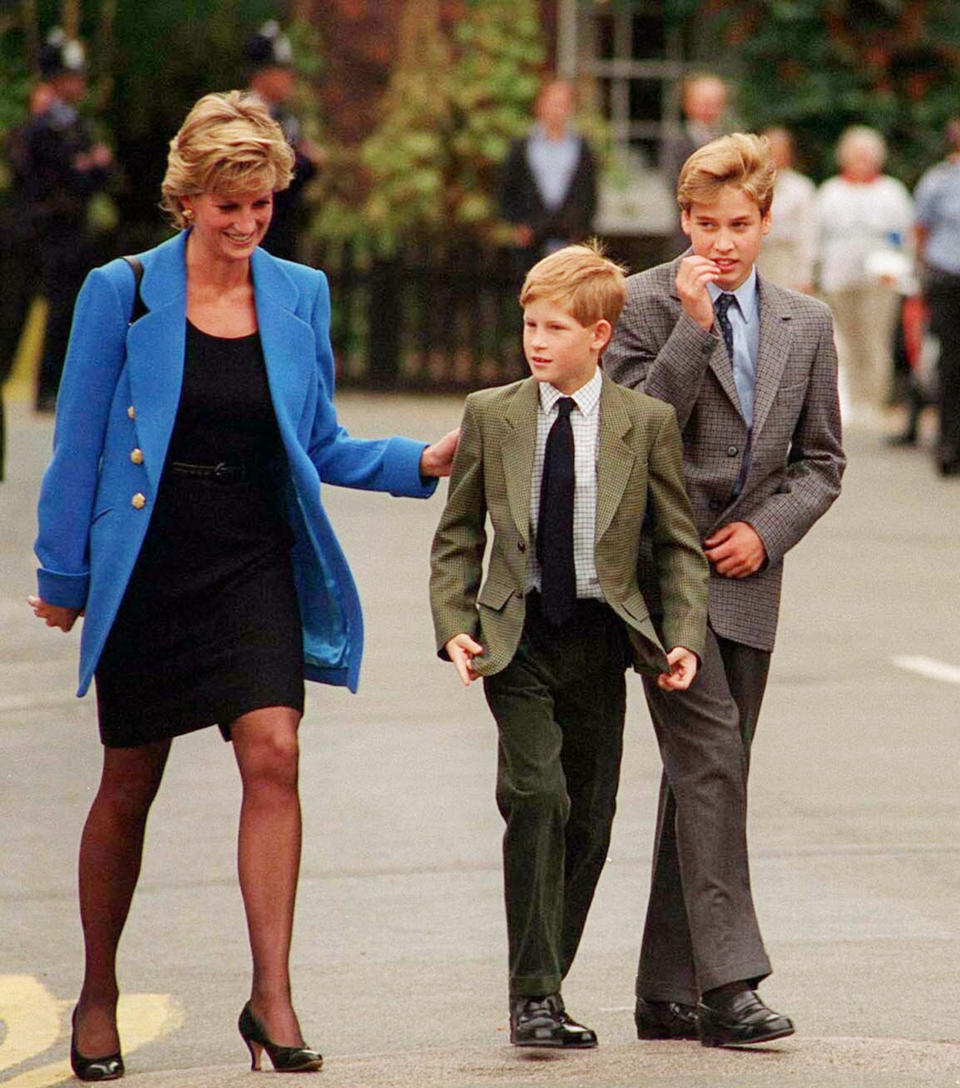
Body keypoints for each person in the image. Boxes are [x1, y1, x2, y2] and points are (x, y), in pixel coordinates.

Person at [29, 90, 457, 1081]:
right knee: (129, 784)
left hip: (252, 550)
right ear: (190, 199)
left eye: (262, 204)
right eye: (230, 206)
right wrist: (64, 573)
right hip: (151, 555)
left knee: (274, 750)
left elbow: (318, 442)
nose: (247, 223)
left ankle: (271, 994)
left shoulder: (300, 293)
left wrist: (417, 461)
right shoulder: (122, 290)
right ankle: (98, 990)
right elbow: (80, 441)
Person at [429, 243, 708, 1049]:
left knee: (590, 821)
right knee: (537, 798)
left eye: (554, 327)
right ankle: (536, 997)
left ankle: (545, 978)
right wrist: (454, 620)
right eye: (529, 325)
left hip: (602, 641)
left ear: (600, 335)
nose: (536, 341)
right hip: (514, 640)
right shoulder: (493, 413)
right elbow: (457, 535)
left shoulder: (644, 424)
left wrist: (681, 635)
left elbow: (678, 545)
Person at [605, 133, 845, 1047]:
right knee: (713, 761)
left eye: (739, 225)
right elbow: (630, 433)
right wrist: (693, 327)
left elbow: (822, 462)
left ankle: (664, 988)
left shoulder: (805, 322)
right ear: (682, 218)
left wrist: (766, 530)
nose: (722, 242)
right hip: (662, 574)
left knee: (700, 773)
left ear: (766, 222)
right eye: (705, 223)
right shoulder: (638, 304)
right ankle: (728, 987)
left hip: (748, 575)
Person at [22, 29, 114, 412]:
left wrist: (91, 167)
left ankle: (59, 384)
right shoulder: (45, 124)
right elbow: (62, 173)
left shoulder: (73, 122)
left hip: (74, 225)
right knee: (53, 307)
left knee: (72, 306)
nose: (78, 84)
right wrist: (87, 167)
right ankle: (44, 386)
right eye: (71, 77)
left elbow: (98, 173)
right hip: (48, 226)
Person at [817, 126, 913, 421]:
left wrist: (900, 270)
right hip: (838, 277)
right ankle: (849, 401)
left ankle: (874, 400)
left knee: (876, 339)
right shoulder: (830, 191)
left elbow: (905, 236)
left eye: (867, 155)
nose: (862, 161)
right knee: (844, 340)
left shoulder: (891, 191)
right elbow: (817, 235)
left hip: (879, 279)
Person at [499, 79, 597, 276]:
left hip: (568, 238)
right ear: (540, 106)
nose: (557, 111)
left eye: (563, 104)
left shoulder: (582, 147)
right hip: (531, 240)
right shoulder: (521, 147)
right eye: (552, 103)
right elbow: (507, 188)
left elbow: (589, 193)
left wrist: (580, 230)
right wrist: (518, 225)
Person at [245, 20, 324, 261]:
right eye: (282, 71)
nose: (290, 78)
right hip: (254, 232)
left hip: (282, 227)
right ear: (262, 74)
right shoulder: (247, 115)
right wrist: (306, 162)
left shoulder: (285, 117)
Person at [913, 115, 960, 476]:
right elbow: (921, 230)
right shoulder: (938, 181)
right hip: (947, 277)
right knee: (950, 362)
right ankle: (948, 443)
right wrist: (923, 273)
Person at [661, 74, 729, 254]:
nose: (710, 109)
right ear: (688, 104)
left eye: (715, 103)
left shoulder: (731, 141)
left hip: (727, 234)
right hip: (688, 235)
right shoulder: (676, 142)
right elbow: (675, 185)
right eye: (704, 103)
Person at [756, 126, 818, 293]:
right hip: (756, 258)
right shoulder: (748, 185)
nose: (775, 154)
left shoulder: (801, 188)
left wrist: (805, 276)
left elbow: (807, 235)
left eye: (780, 149)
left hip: (786, 260)